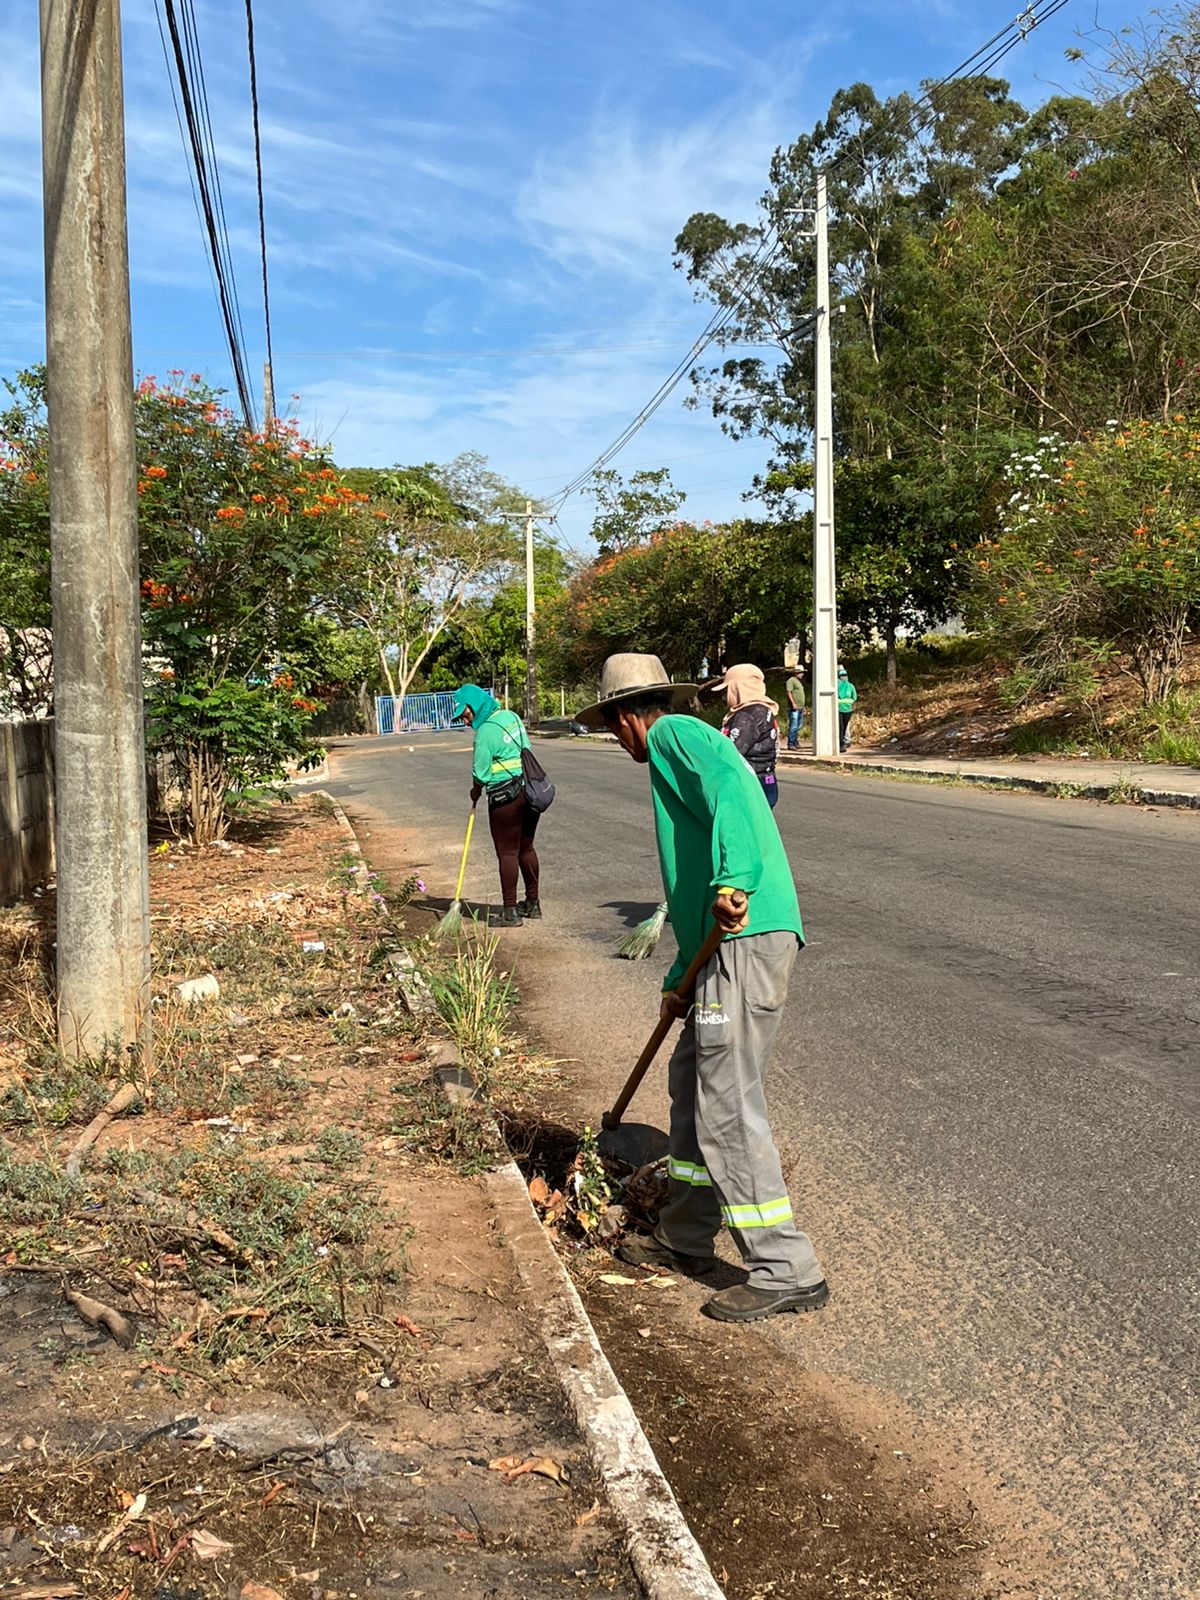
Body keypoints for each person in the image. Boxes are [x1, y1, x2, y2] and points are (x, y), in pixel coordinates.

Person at [576, 654, 827, 1324]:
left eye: (611, 727)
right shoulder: (668, 749)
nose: (615, 739)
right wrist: (678, 980)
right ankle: (686, 1241)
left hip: (746, 937)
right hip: (717, 952)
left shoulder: (676, 735)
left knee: (724, 1103)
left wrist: (735, 878)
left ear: (624, 716)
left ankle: (786, 1269)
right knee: (691, 1085)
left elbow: (734, 793)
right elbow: (689, 893)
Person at [452, 684, 540, 927]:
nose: (466, 721)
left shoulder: (484, 733)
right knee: (526, 848)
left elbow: (480, 773)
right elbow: (526, 749)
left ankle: (510, 911)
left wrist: (475, 791)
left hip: (505, 797)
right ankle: (533, 903)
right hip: (530, 790)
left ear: (476, 705)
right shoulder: (511, 717)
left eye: (466, 714)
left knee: (507, 852)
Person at [715, 663, 781, 810]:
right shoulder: (763, 710)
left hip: (750, 784)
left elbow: (731, 753)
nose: (724, 696)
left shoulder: (747, 716)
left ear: (737, 688)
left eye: (727, 689)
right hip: (767, 779)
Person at [837, 665, 858, 752]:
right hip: (838, 709)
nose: (843, 677)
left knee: (845, 726)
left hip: (848, 709)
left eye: (845, 675)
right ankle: (841, 744)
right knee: (840, 727)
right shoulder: (836, 685)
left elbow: (854, 697)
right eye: (841, 676)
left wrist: (848, 702)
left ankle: (845, 741)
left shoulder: (850, 686)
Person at [785, 668, 805, 749]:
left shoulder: (799, 682)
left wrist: (803, 707)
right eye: (800, 672)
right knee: (793, 725)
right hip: (794, 708)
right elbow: (788, 692)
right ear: (796, 673)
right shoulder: (791, 681)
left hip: (800, 707)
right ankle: (791, 743)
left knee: (798, 726)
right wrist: (793, 703)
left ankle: (795, 741)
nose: (802, 674)